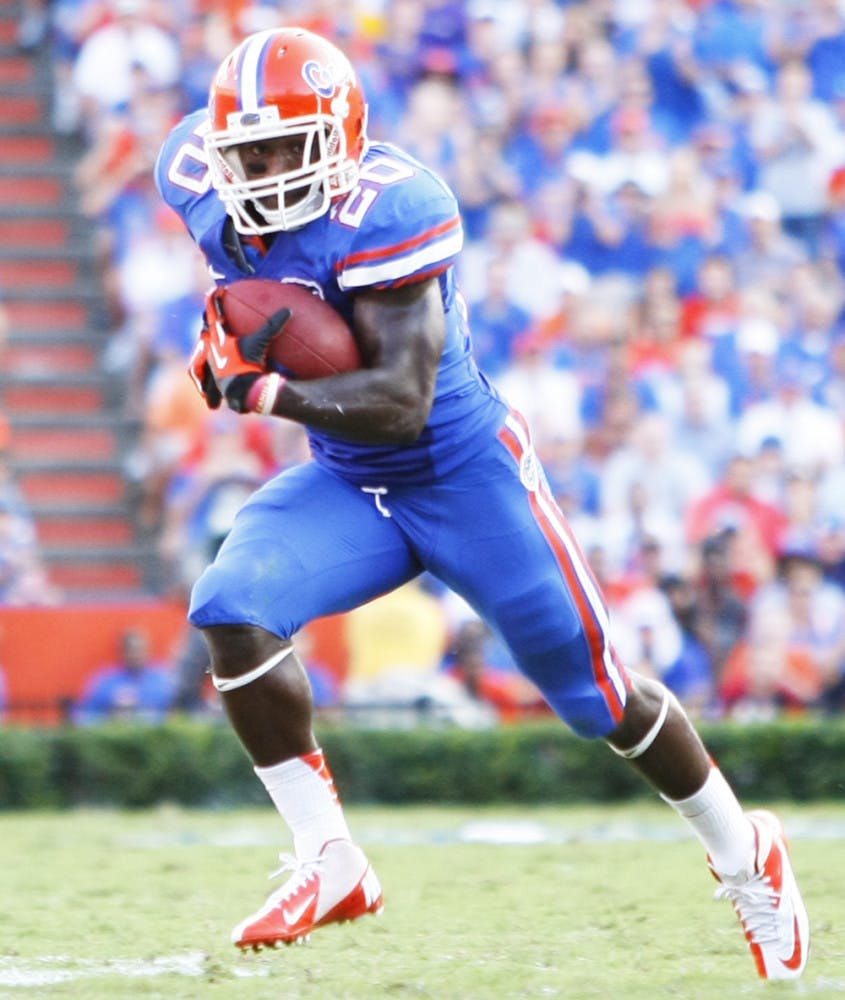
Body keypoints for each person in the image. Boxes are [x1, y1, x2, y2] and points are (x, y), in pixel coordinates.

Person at [154, 27, 808, 977]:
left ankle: (744, 853)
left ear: (338, 140)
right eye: (246, 153)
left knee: (598, 695)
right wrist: (218, 344)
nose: (261, 172)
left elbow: (400, 403)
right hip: (349, 482)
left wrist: (262, 392)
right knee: (230, 608)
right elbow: (247, 312)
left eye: (285, 148)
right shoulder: (197, 184)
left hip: (462, 473)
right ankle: (329, 859)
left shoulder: (393, 208)